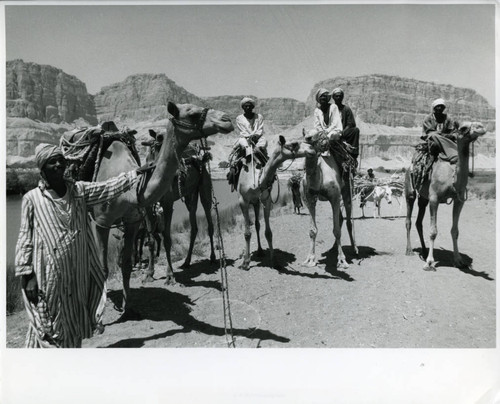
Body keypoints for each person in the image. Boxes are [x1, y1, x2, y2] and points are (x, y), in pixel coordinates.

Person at [15, 143, 140, 348]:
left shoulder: (79, 191)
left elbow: (107, 188)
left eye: (60, 160)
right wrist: (27, 274)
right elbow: (24, 237)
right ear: (42, 169)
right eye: (51, 162)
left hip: (78, 272)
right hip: (49, 276)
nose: (58, 165)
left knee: (73, 322)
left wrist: (134, 176)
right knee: (48, 325)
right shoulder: (32, 199)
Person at [233, 97, 268, 164]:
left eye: (250, 106)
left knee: (263, 143)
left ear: (252, 107)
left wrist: (256, 136)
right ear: (243, 108)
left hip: (257, 137)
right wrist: (249, 137)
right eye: (246, 106)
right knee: (244, 144)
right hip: (245, 137)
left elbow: (260, 128)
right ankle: (250, 158)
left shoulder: (259, 117)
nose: (248, 108)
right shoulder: (239, 118)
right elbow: (242, 130)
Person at [331, 87, 360, 159]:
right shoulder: (330, 109)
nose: (338, 98)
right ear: (333, 97)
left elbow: (351, 123)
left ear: (342, 97)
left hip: (343, 132)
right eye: (336, 96)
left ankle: (353, 152)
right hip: (331, 132)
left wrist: (342, 132)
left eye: (340, 96)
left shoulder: (346, 109)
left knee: (355, 130)